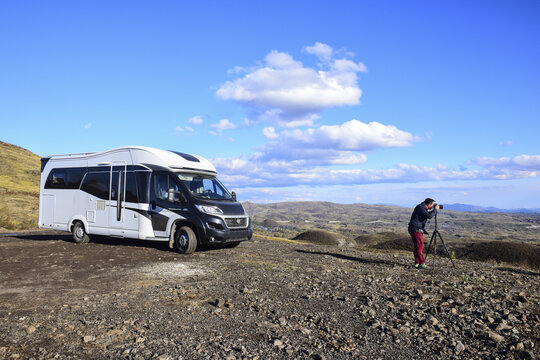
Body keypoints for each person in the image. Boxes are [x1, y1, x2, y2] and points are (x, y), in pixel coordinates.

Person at [408, 198, 439, 269]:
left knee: (417, 246)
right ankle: (422, 263)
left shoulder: (421, 207)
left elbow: (427, 213)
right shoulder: (421, 207)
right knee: (420, 246)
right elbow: (429, 216)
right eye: (432, 204)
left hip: (414, 228)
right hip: (416, 229)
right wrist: (435, 210)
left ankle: (417, 262)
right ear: (429, 204)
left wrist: (433, 209)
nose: (432, 206)